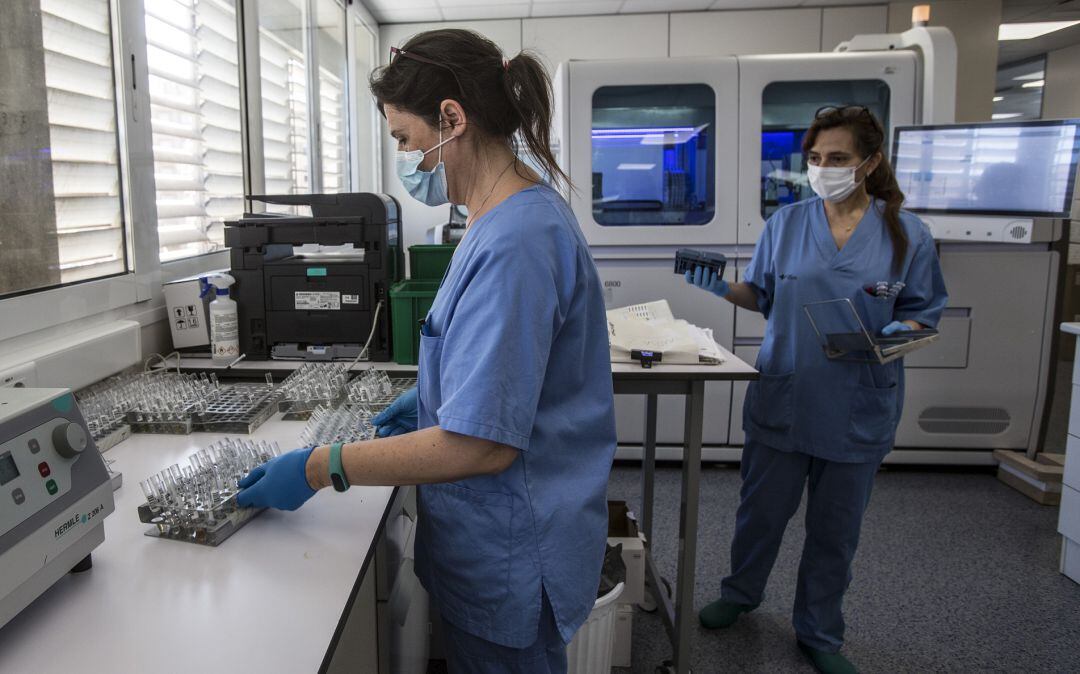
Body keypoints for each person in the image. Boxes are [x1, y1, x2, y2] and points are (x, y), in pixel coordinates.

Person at [235, 29, 617, 674]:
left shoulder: (518, 240)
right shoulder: (495, 216)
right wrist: (435, 395)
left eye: (405, 140)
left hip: (510, 551)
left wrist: (319, 466)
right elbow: (505, 370)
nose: (407, 160)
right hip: (488, 542)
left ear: (452, 119)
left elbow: (482, 446)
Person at [686, 106, 947, 674]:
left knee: (835, 531)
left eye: (838, 159)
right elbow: (763, 294)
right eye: (815, 159)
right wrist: (723, 288)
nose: (822, 168)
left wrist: (907, 329)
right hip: (788, 392)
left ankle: (820, 632)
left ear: (869, 163)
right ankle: (740, 594)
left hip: (859, 403)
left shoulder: (908, 234)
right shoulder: (787, 224)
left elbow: (924, 313)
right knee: (760, 513)